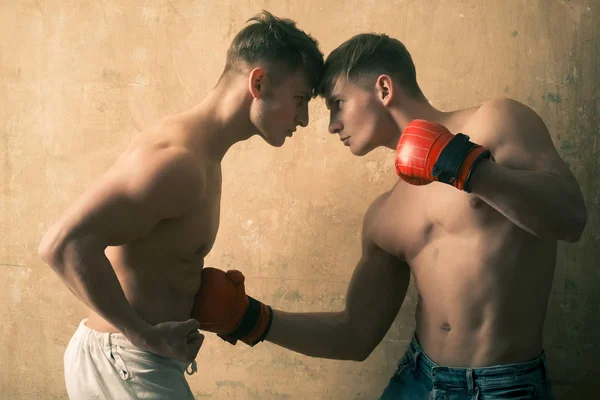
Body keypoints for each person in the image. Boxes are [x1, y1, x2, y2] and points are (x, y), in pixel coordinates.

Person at [194, 33, 587, 399]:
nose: (332, 126)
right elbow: (354, 335)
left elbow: (571, 218)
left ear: (383, 89)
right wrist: (250, 319)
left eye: (337, 104)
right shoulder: (385, 214)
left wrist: (468, 168)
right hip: (417, 378)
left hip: (507, 386)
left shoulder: (497, 122)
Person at [37, 11, 323, 399]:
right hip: (123, 362)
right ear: (258, 82)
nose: (304, 119)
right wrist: (143, 335)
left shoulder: (204, 156)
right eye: (300, 100)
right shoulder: (179, 162)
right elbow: (62, 245)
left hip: (133, 360)